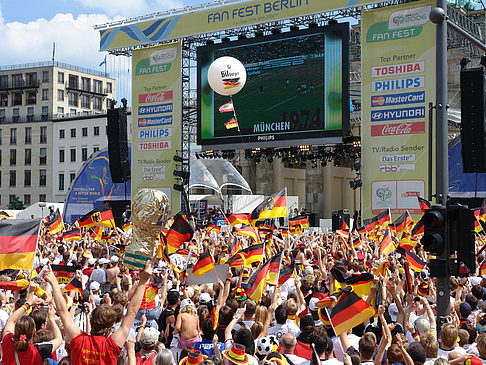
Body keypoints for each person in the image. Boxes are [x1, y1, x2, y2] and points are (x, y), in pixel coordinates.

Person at [44, 261, 152, 365]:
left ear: (91, 320)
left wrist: (54, 282)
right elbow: (131, 312)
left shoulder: (78, 340)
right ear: (112, 325)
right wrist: (143, 281)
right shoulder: (112, 344)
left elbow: (63, 311)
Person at [2, 282, 63, 365]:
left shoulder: (7, 342)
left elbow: (11, 320)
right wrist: (51, 318)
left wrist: (28, 304)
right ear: (34, 332)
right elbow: (59, 339)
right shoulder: (38, 351)